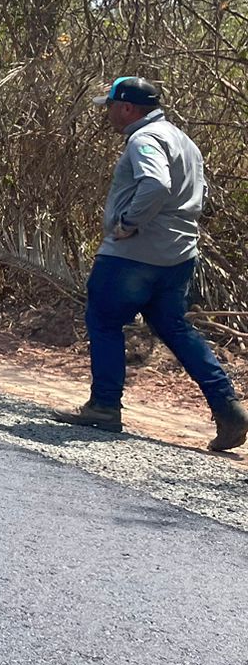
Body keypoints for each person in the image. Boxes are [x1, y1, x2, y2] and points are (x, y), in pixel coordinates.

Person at [53, 77, 248, 450]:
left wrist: (128, 223)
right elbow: (197, 193)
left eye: (110, 106)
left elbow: (156, 184)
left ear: (127, 107)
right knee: (175, 328)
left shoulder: (144, 140)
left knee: (105, 321)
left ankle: (105, 407)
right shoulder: (183, 141)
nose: (108, 113)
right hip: (178, 256)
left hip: (133, 254)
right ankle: (229, 409)